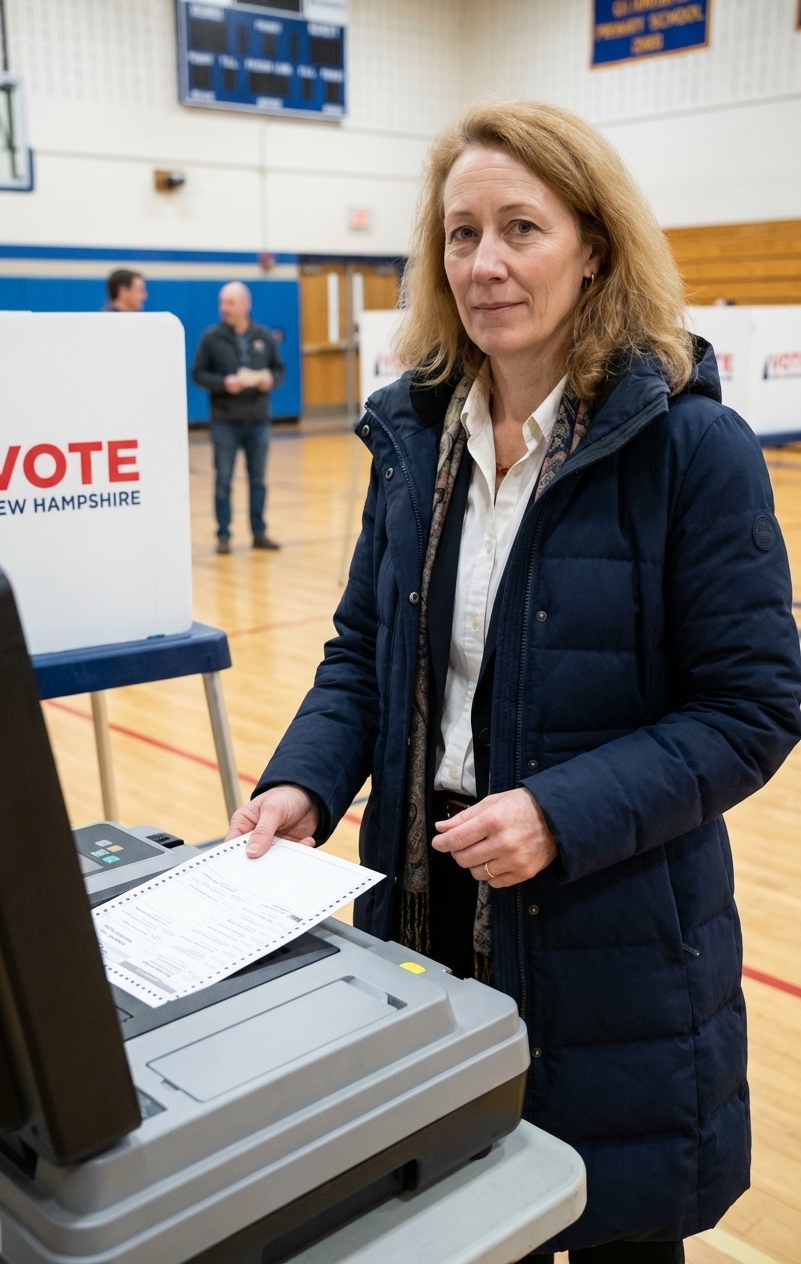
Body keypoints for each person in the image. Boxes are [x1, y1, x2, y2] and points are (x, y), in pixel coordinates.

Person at [226, 101, 801, 1258]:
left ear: (593, 245)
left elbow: (753, 706)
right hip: (424, 902)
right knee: (450, 1223)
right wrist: (303, 787)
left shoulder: (691, 450)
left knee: (609, 1224)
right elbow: (359, 657)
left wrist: (557, 813)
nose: (485, 264)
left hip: (609, 922)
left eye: (522, 229)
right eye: (460, 233)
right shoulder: (413, 438)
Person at [192, 281, 284, 552]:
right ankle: (223, 535)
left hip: (258, 421)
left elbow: (278, 369)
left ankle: (259, 533)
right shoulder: (211, 337)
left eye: (230, 303)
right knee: (223, 481)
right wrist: (223, 383)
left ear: (245, 304)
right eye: (222, 303)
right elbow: (198, 373)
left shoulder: (263, 335)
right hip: (225, 422)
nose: (224, 308)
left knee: (258, 481)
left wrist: (271, 380)